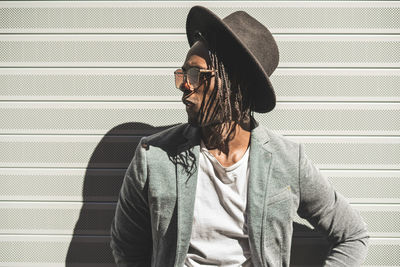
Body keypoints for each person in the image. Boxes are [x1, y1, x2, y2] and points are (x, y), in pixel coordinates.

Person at [110, 5, 369, 267]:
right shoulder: (153, 158)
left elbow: (353, 235)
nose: (185, 86)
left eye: (196, 75)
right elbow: (127, 248)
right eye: (183, 75)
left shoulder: (287, 160)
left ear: (234, 83)